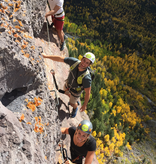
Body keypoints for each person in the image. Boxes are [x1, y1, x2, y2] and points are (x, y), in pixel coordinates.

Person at [42, 52, 95, 117]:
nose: (84, 63)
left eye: (87, 63)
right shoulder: (74, 62)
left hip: (76, 92)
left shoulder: (87, 78)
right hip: (68, 85)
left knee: (72, 103)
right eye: (84, 60)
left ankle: (75, 107)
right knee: (66, 93)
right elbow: (60, 59)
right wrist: (46, 56)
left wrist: (84, 105)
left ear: (89, 65)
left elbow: (88, 93)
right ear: (81, 59)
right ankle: (74, 100)